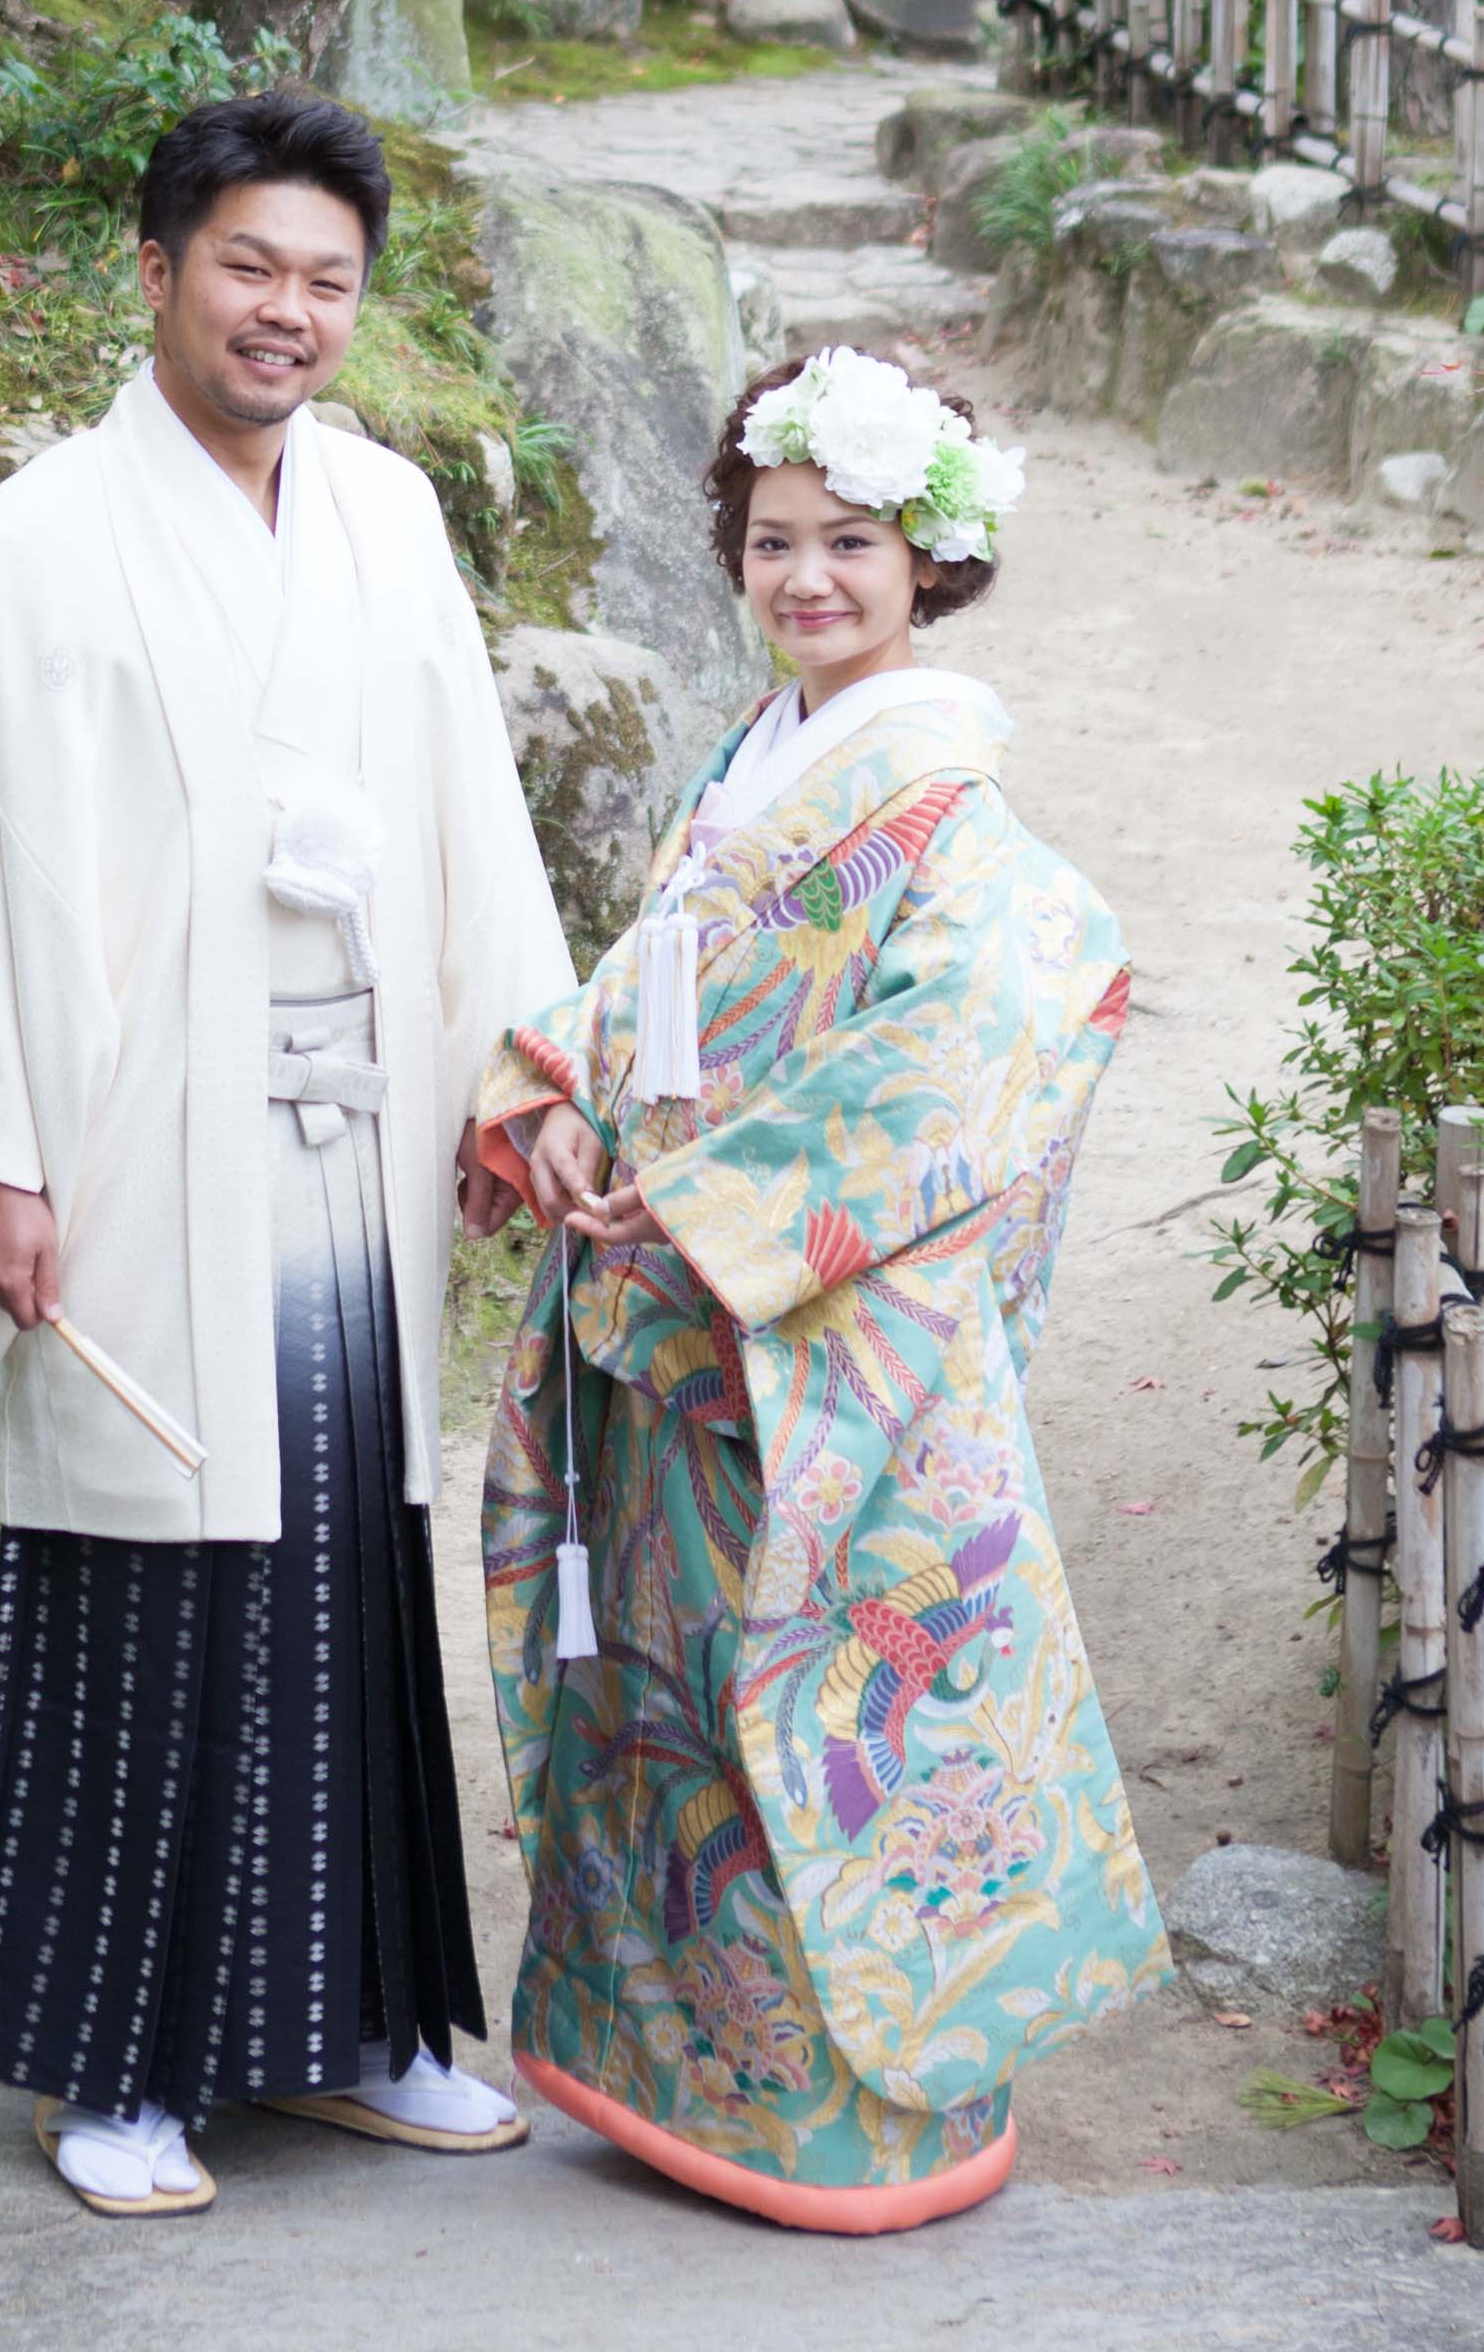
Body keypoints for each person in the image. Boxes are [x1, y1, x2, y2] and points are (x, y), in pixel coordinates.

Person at [0, 86, 571, 2220]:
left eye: (328, 280)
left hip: (345, 1130)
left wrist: (508, 1079)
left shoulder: (393, 523)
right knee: (146, 1571)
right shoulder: (32, 542)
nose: (288, 312)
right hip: (135, 1138)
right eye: (249, 265)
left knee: (342, 1569)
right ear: (154, 272)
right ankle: (113, 2071)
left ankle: (351, 2030)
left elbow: (469, 828)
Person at [462, 343, 1165, 2229]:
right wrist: (571, 1105)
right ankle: (659, 2069)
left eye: (851, 543)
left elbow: (1010, 1022)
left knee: (808, 1713)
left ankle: (840, 2118)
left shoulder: (947, 803)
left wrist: (716, 1206)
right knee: (673, 1695)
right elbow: (649, 989)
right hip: (674, 1304)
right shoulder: (754, 762)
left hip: (807, 1333)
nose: (806, 581)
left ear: (928, 562)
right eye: (775, 542)